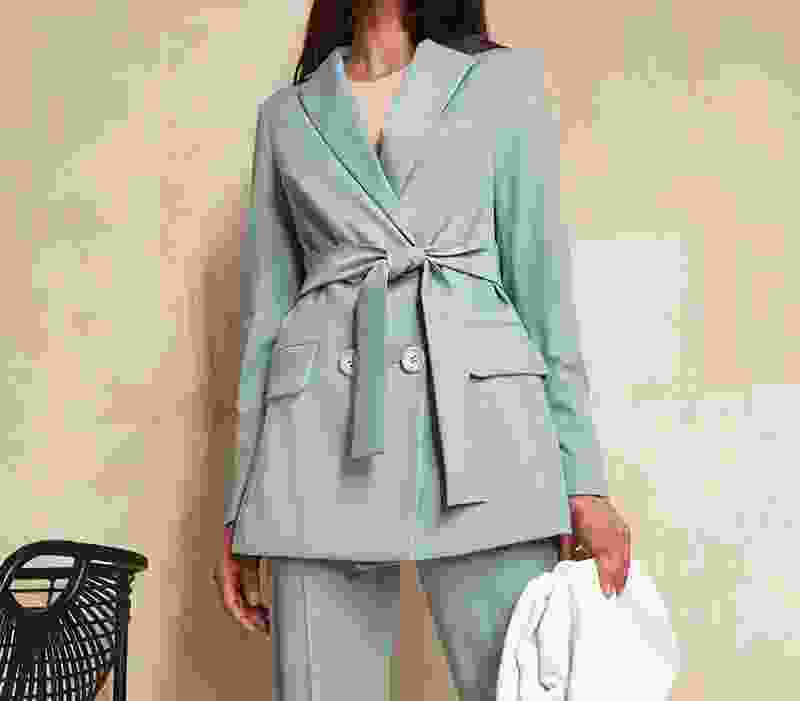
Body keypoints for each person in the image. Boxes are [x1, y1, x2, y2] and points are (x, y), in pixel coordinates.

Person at [214, 1, 631, 698]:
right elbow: (266, 323)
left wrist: (582, 478)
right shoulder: (286, 116)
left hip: (484, 432)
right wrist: (242, 508)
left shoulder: (502, 84)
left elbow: (544, 293)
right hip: (317, 445)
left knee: (525, 686)